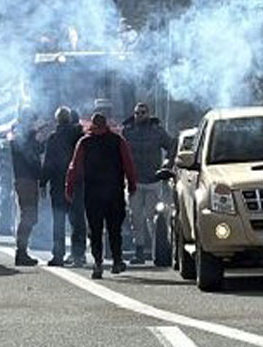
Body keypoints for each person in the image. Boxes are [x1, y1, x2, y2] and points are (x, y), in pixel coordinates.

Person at [66, 113, 138, 279]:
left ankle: (98, 263)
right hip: (114, 191)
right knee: (114, 229)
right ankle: (117, 261)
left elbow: (74, 167)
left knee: (95, 230)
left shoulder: (84, 142)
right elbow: (129, 163)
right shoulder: (117, 140)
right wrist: (132, 184)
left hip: (92, 192)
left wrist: (69, 188)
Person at [121, 102, 175, 264]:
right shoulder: (127, 132)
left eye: (143, 112)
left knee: (154, 218)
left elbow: (172, 145)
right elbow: (119, 152)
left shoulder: (157, 131)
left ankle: (157, 252)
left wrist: (167, 164)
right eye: (137, 113)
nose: (140, 115)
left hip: (153, 181)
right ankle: (139, 252)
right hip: (134, 181)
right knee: (135, 218)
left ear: (148, 114)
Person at [41, 107, 87, 267]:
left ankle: (58, 255)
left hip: (59, 185)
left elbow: (48, 163)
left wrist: (42, 183)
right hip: (76, 184)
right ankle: (78, 255)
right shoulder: (79, 136)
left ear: (57, 120)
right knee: (78, 221)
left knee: (59, 222)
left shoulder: (53, 138)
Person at [11, 109, 44, 266]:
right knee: (29, 215)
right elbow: (30, 156)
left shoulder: (23, 136)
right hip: (26, 179)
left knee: (30, 216)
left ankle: (22, 251)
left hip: (27, 179)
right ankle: (21, 251)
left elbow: (36, 149)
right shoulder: (20, 137)